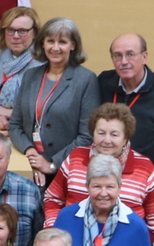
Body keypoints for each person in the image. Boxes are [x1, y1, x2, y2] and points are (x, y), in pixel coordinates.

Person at [44, 102, 154, 235]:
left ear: (126, 138)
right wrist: (54, 231)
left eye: (114, 134)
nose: (106, 140)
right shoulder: (76, 158)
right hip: (72, 241)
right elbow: (53, 198)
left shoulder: (145, 168)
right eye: (101, 133)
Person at [10, 17, 100, 187]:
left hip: (66, 171)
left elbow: (87, 136)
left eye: (63, 42)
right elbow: (15, 124)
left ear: (73, 45)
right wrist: (31, 154)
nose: (55, 48)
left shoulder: (86, 79)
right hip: (28, 166)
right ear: (43, 43)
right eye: (50, 41)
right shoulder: (30, 76)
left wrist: (52, 164)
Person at [97, 34, 154, 185]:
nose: (124, 61)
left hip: (140, 181)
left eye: (130, 54)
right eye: (117, 56)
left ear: (144, 56)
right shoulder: (102, 83)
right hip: (100, 178)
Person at [54, 155, 152, 246]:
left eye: (110, 187)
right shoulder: (66, 217)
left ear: (119, 187)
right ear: (87, 186)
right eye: (97, 186)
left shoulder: (136, 226)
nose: (103, 193)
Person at [0, 7, 41, 132]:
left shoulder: (43, 62)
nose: (16, 36)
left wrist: (8, 113)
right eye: (10, 30)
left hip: (30, 131)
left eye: (23, 31)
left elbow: (45, 109)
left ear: (35, 33)